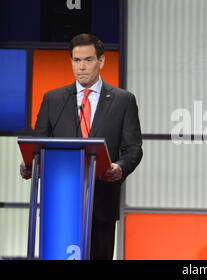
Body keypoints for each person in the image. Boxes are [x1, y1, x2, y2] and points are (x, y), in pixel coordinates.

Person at [20, 33, 143, 260]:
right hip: (59, 204)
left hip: (101, 204)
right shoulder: (53, 99)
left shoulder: (122, 100)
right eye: (77, 61)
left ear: (102, 61)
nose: (82, 67)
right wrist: (31, 165)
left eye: (88, 60)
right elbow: (39, 144)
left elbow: (134, 147)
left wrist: (120, 167)